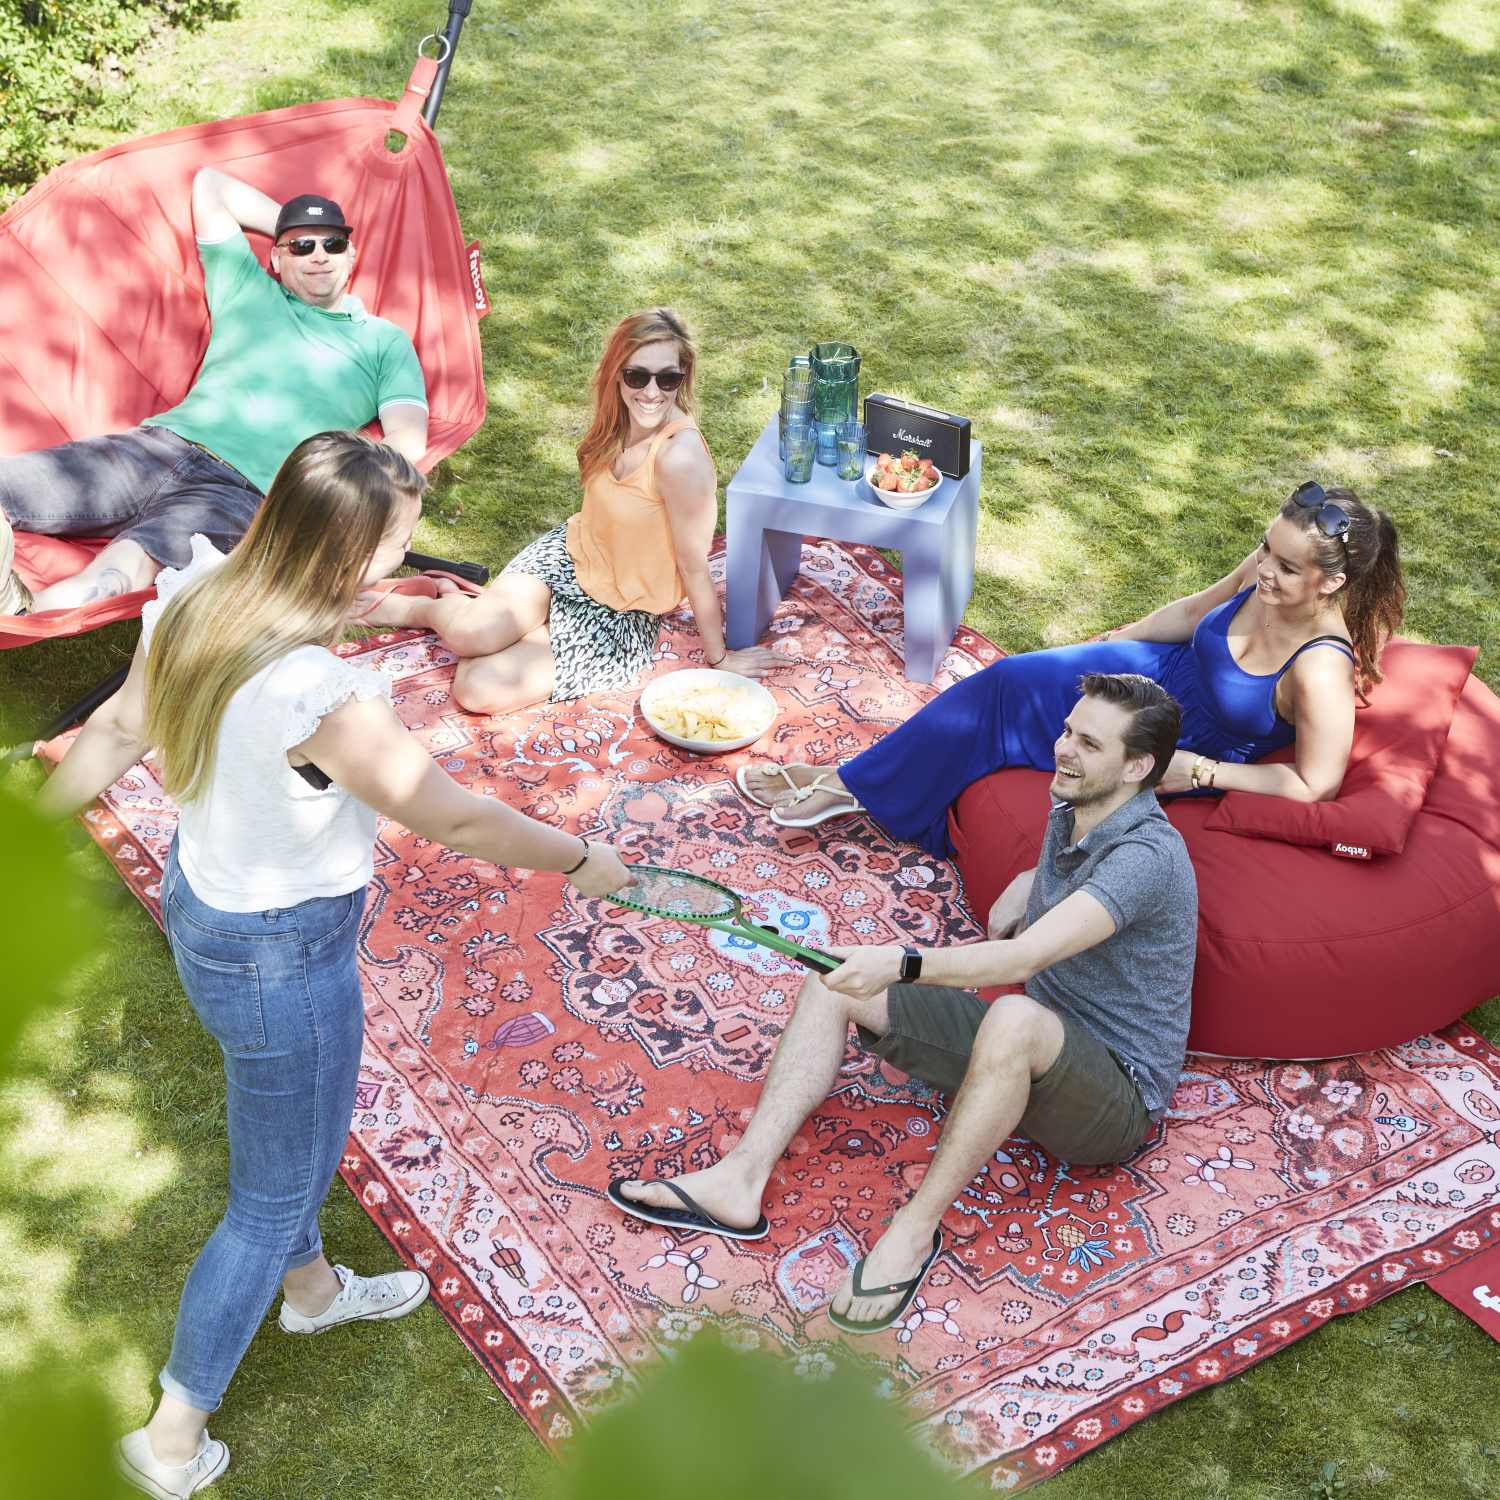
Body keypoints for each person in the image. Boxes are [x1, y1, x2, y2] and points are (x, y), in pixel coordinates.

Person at [38, 432, 630, 1499]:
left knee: (289, 1130)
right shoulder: (314, 692)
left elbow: (120, 726)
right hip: (280, 952)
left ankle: (310, 1291)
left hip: (208, 906)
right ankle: (172, 1436)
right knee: (268, 1196)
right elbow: (451, 813)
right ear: (348, 548)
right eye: (396, 545)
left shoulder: (198, 592)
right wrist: (583, 856)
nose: (402, 563)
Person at [611, 673, 1197, 1334]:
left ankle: (914, 1234)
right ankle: (738, 1183)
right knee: (835, 976)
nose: (1064, 749)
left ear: (1137, 767)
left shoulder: (1147, 858)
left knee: (1009, 1014)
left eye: (1089, 743)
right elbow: (1085, 869)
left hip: (1112, 1100)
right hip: (1033, 1047)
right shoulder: (1077, 803)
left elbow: (1022, 959)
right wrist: (1032, 876)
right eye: (1067, 731)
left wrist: (904, 962)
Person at [737, 483, 1406, 853]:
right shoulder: (1260, 575)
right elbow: (1198, 608)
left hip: (1176, 744)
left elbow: (1315, 782)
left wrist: (1203, 772)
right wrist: (1112, 641)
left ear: (1332, 583)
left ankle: (845, 788)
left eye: (1286, 567)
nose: (1264, 569)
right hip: (1154, 670)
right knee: (1009, 679)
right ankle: (849, 782)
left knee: (1037, 730)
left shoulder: (1319, 669)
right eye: (1266, 549)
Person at [0, 170, 429, 616]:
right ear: (277, 260)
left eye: (332, 244)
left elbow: (407, 442)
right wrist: (291, 223)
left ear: (351, 254)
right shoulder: (247, 287)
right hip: (157, 447)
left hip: (242, 490)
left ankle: (18, 616)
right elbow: (211, 185)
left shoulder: (384, 341)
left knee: (131, 565)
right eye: (302, 246)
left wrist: (335, 492)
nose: (319, 255)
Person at [353, 307, 776, 711]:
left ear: (681, 379)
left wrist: (720, 658)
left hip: (622, 610)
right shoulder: (618, 420)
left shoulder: (680, 458)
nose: (651, 392)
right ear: (616, 374)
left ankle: (482, 611)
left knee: (478, 689)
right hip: (569, 557)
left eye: (667, 379)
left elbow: (695, 566)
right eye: (636, 375)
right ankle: (427, 606)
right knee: (468, 634)